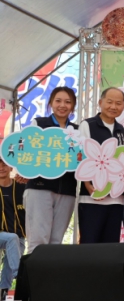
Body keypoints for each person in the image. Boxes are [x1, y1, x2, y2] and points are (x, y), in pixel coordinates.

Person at [24, 86, 78, 253]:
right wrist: (23, 171)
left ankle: (48, 279)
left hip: (67, 190)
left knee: (56, 242)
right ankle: (32, 279)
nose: (63, 105)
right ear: (51, 103)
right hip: (40, 188)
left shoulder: (77, 131)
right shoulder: (39, 124)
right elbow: (26, 151)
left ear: (73, 106)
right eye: (58, 101)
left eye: (68, 102)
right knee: (38, 240)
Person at [78, 87, 124, 244]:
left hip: (116, 198)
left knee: (110, 247)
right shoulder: (87, 125)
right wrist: (86, 183)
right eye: (109, 102)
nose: (113, 107)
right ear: (100, 102)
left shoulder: (121, 129)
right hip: (91, 197)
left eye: (118, 103)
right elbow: (81, 157)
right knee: (89, 244)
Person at [0, 158, 25, 300]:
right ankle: (20, 275)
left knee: (12, 252)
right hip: (5, 236)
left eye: (4, 164)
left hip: (17, 235)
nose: (1, 167)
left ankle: (2, 292)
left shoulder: (21, 187)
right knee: (12, 239)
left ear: (11, 168)